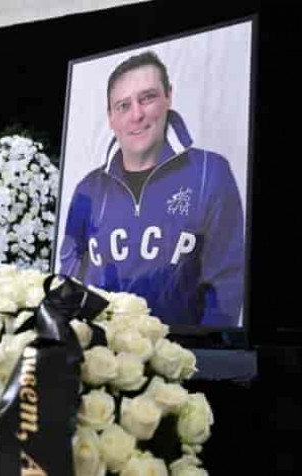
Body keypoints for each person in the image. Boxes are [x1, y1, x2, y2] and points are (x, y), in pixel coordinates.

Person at [59, 51, 245, 327]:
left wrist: (203, 349)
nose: (137, 114)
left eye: (148, 98)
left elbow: (226, 283)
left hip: (181, 351)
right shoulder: (88, 189)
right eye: (123, 105)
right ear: (110, 117)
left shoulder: (211, 173)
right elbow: (69, 283)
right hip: (103, 351)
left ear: (168, 96)